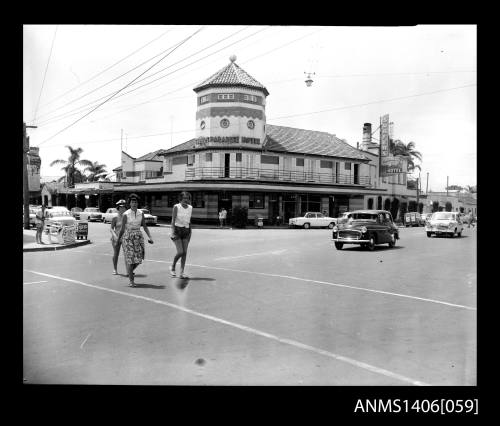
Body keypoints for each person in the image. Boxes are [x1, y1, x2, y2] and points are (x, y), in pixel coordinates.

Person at [117, 194, 154, 287]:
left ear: (138, 203)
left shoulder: (141, 213)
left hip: (138, 237)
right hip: (128, 237)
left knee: (139, 259)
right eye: (132, 202)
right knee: (130, 260)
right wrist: (118, 240)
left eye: (136, 202)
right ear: (129, 203)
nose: (134, 203)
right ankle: (131, 281)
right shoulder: (126, 214)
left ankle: (129, 271)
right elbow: (122, 229)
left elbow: (144, 226)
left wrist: (150, 237)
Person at [169, 191, 192, 279]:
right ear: (181, 198)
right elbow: (173, 220)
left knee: (185, 253)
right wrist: (172, 231)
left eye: (187, 198)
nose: (186, 200)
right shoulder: (176, 207)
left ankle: (182, 272)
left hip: (186, 231)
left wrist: (190, 232)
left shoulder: (190, 208)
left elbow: (189, 221)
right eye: (184, 198)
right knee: (180, 252)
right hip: (177, 230)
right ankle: (173, 267)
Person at [110, 199, 127, 275]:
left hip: (125, 237)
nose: (122, 209)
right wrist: (115, 236)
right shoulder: (115, 217)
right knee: (116, 254)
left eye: (124, 207)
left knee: (127, 254)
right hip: (116, 238)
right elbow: (111, 228)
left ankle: (128, 270)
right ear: (118, 208)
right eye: (121, 207)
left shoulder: (127, 217)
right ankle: (115, 269)